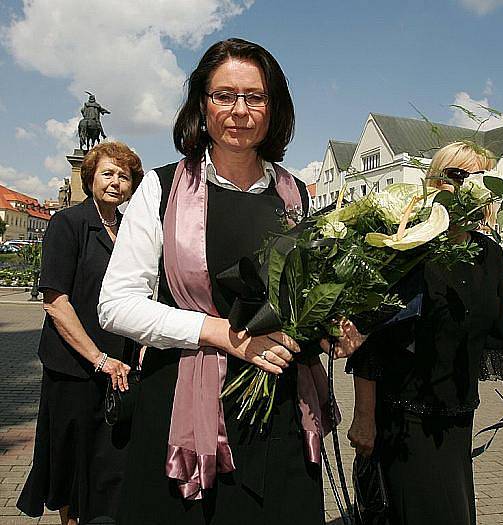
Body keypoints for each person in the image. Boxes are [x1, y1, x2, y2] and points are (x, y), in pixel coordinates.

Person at [97, 39, 361, 524]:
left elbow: (299, 300)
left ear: (273, 106)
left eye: (255, 97)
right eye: (224, 95)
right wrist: (222, 335)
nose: (240, 110)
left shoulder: (295, 194)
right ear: (202, 103)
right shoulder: (162, 187)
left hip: (279, 408)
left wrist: (329, 331)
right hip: (181, 405)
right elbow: (115, 305)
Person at [345, 141, 503, 525]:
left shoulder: (489, 253)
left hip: (457, 418)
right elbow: (372, 340)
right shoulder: (410, 246)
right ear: (435, 182)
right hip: (405, 418)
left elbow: (499, 336)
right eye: (457, 175)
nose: (468, 186)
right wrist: (364, 417)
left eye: (480, 178)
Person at [17, 142, 144, 525]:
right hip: (74, 368)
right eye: (108, 173)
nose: (116, 182)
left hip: (119, 367)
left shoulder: (130, 230)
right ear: (90, 178)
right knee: (72, 464)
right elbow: (55, 301)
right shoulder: (68, 223)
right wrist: (97, 358)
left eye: (124, 176)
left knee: (109, 463)